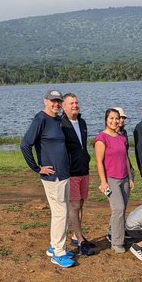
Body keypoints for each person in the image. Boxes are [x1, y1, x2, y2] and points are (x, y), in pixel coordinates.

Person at [19, 89, 76, 267]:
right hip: (53, 177)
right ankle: (58, 254)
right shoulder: (40, 119)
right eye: (53, 101)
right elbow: (25, 144)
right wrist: (37, 168)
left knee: (63, 212)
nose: (56, 104)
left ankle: (54, 246)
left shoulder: (58, 119)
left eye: (59, 101)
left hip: (64, 174)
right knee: (61, 213)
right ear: (45, 101)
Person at [95, 109, 134, 253]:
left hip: (124, 177)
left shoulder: (121, 137)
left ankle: (121, 237)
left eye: (117, 118)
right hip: (111, 179)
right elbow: (99, 162)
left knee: (122, 209)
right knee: (118, 208)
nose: (114, 121)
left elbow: (125, 159)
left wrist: (130, 177)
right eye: (111, 118)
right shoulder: (101, 138)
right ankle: (116, 242)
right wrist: (103, 182)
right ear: (106, 119)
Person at [60, 93, 93, 255]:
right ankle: (80, 240)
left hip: (83, 168)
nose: (75, 105)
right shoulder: (61, 124)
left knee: (81, 204)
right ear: (64, 106)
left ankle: (75, 235)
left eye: (77, 102)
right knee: (74, 206)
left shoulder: (82, 122)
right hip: (70, 171)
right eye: (71, 103)